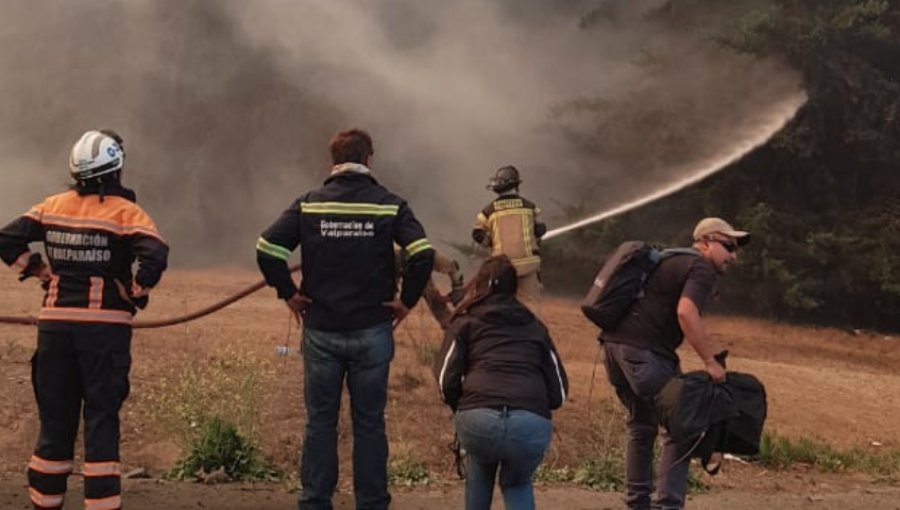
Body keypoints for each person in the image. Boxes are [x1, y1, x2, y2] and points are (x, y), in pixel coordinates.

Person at [256, 128, 435, 510]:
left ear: (333, 161)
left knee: (320, 423)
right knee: (370, 423)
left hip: (321, 330)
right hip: (372, 331)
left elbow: (267, 247)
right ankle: (371, 503)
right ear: (369, 159)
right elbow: (422, 253)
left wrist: (289, 293)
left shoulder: (310, 204)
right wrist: (406, 302)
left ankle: (315, 502)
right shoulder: (390, 205)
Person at [0, 129, 169, 510]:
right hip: (103, 333)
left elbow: (6, 239)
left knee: (55, 421)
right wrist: (137, 290)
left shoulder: (51, 206)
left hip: (55, 329)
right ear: (116, 169)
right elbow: (156, 255)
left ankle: (44, 501)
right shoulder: (126, 212)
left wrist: (38, 270)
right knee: (101, 419)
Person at [599, 217, 750, 510]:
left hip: (614, 350)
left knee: (642, 427)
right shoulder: (700, 267)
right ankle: (668, 505)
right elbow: (686, 312)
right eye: (729, 246)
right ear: (706, 242)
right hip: (645, 354)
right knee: (683, 424)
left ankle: (637, 503)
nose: (734, 256)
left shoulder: (671, 259)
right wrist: (710, 362)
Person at [433, 255, 568, 510]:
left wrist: (463, 405)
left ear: (481, 284)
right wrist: (531, 406)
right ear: (514, 287)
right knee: (517, 484)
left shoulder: (465, 322)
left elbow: (445, 380)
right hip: (530, 426)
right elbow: (559, 392)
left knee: (479, 471)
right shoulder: (535, 327)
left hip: (478, 421)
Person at [471, 165, 546, 315]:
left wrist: (490, 242)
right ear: (516, 185)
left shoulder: (488, 211)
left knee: (498, 304)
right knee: (531, 305)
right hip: (528, 265)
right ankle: (532, 334)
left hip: (502, 267)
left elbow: (477, 233)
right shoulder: (530, 207)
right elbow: (540, 229)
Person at [395, 246, 465, 329]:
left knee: (431, 296)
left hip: (419, 267)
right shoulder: (395, 260)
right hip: (403, 268)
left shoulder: (429, 256)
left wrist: (457, 289)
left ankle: (451, 326)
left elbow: (452, 266)